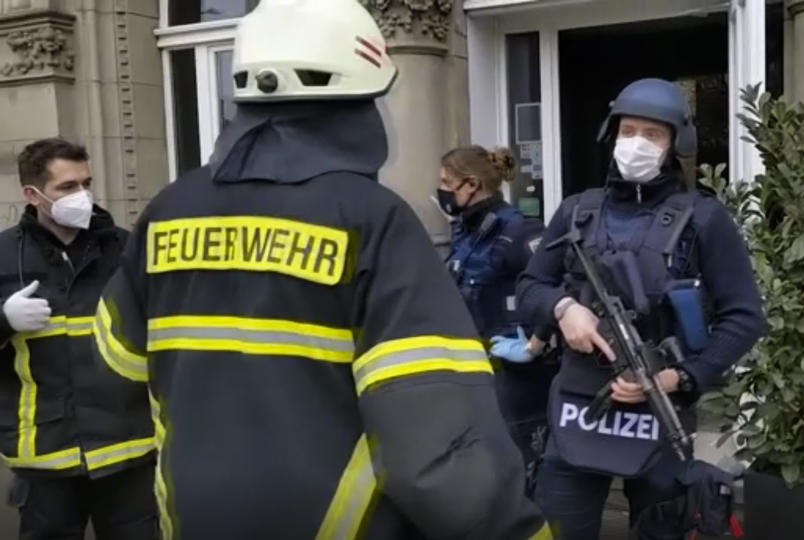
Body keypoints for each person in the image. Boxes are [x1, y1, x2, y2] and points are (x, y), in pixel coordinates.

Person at [91, 1, 549, 539]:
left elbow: (115, 362)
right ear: (357, 101)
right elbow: (438, 439)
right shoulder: (373, 219)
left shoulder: (167, 209)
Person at [517, 78, 766, 540]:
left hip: (658, 412)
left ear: (674, 144)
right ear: (612, 135)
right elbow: (530, 286)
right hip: (577, 409)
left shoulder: (704, 219)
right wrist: (563, 307)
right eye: (628, 131)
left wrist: (682, 376)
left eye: (652, 135)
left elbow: (745, 316)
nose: (637, 143)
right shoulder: (576, 212)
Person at [0, 138, 156, 539]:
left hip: (129, 450)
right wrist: (3, 320)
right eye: (67, 188)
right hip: (45, 457)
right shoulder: (3, 256)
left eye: (86, 183)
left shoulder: (126, 249)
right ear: (32, 195)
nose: (82, 196)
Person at [437, 145, 556, 493]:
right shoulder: (465, 231)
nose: (441, 189)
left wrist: (536, 344)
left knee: (520, 478)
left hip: (516, 380)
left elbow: (557, 286)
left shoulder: (520, 231)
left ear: (470, 184)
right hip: (473, 371)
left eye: (446, 182)